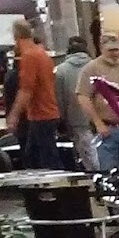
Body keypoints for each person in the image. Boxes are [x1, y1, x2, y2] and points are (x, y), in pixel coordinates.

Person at [77, 33, 119, 170]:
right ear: (102, 48)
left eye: (117, 49)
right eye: (110, 50)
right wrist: (98, 123)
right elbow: (83, 97)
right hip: (108, 129)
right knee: (110, 172)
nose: (114, 53)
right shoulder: (91, 69)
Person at [8, 22, 58, 169]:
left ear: (16, 37)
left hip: (40, 114)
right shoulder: (42, 54)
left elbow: (26, 90)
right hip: (48, 111)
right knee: (38, 154)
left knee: (42, 158)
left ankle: (56, 182)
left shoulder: (29, 56)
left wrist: (14, 116)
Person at [55, 36, 95, 170]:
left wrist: (61, 119)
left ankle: (95, 175)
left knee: (86, 153)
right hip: (98, 117)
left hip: (75, 117)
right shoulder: (96, 66)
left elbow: (59, 98)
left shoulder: (60, 70)